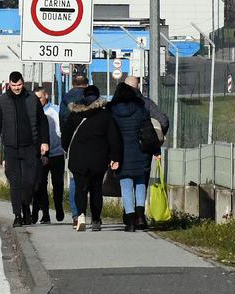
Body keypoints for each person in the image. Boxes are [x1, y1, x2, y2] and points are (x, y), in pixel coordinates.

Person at [0, 71, 50, 227]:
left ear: (23, 83)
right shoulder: (3, 101)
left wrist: (44, 142)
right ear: (9, 84)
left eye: (19, 85)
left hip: (30, 147)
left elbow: (42, 121)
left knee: (30, 182)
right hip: (11, 148)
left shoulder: (32, 99)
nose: (17, 88)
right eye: (14, 85)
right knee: (15, 182)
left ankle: (26, 207)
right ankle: (18, 215)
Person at [62, 84, 120, 231]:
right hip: (98, 159)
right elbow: (113, 138)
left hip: (78, 158)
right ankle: (95, 220)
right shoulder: (106, 115)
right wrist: (115, 157)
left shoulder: (75, 115)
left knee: (80, 188)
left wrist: (66, 150)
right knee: (96, 189)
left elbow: (66, 137)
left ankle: (80, 215)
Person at [108, 81, 154, 231]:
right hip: (140, 150)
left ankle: (130, 220)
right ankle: (140, 215)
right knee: (140, 182)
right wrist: (155, 150)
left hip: (121, 152)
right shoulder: (140, 109)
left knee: (126, 185)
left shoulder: (112, 110)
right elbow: (148, 130)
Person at [32, 85, 66, 224]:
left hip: (56, 153)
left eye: (39, 98)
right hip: (40, 155)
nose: (37, 101)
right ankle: (45, 213)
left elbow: (61, 130)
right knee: (40, 184)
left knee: (58, 184)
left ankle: (58, 206)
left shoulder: (55, 111)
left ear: (46, 96)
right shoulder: (32, 112)